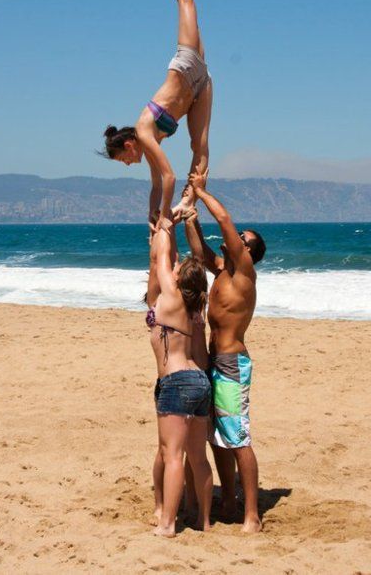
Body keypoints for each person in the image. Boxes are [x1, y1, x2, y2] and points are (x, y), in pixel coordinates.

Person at [102, 0, 213, 232]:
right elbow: (156, 185)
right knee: (200, 146)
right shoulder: (149, 146)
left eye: (122, 160)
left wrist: (162, 216)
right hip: (199, 87)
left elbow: (168, 177)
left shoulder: (145, 130)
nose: (126, 165)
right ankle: (190, 201)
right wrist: (153, 213)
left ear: (128, 146)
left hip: (187, 63)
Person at [186, 167, 266, 533]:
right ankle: (230, 500)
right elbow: (200, 250)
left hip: (233, 363)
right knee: (217, 435)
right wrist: (190, 215)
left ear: (247, 249)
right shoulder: (221, 271)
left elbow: (226, 219)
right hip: (212, 361)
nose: (235, 237)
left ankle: (252, 515)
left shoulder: (244, 272)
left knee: (237, 436)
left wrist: (201, 190)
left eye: (242, 238)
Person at [146, 223, 212, 537]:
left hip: (177, 382)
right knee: (198, 457)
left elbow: (160, 258)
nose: (172, 269)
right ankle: (204, 520)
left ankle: (168, 524)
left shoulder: (171, 300)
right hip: (200, 381)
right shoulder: (195, 306)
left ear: (178, 280)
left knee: (173, 454)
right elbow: (171, 264)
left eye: (178, 268)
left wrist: (163, 228)